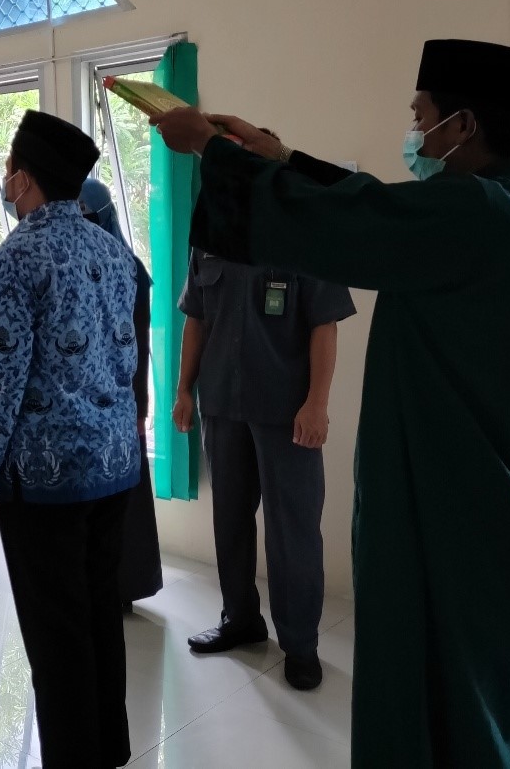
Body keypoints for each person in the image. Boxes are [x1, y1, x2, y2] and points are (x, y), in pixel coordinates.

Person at [150, 39, 510, 767]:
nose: (415, 133)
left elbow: (363, 220)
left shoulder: (481, 214)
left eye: (422, 117)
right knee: (491, 712)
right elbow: (383, 206)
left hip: (461, 517)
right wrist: (281, 157)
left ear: (465, 125)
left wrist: (212, 152)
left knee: (451, 716)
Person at [0, 111, 140, 769]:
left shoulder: (15, 259)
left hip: (46, 480)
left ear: (26, 179)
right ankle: (110, 748)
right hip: (115, 465)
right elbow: (126, 358)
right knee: (98, 612)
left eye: (10, 170)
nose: (6, 181)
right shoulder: (114, 252)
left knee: (56, 633)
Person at [172, 129, 355, 691]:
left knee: (292, 530)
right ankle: (240, 620)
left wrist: (317, 404)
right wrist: (184, 390)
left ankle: (300, 644)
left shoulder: (307, 231)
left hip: (286, 411)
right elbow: (196, 317)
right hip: (222, 404)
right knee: (229, 521)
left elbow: (325, 325)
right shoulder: (211, 234)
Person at [77, 177, 164, 609]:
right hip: (77, 404)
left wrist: (139, 410)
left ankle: (123, 588)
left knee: (122, 499)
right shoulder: (66, 266)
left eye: (88, 215)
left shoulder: (128, 271)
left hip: (118, 404)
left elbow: (139, 348)